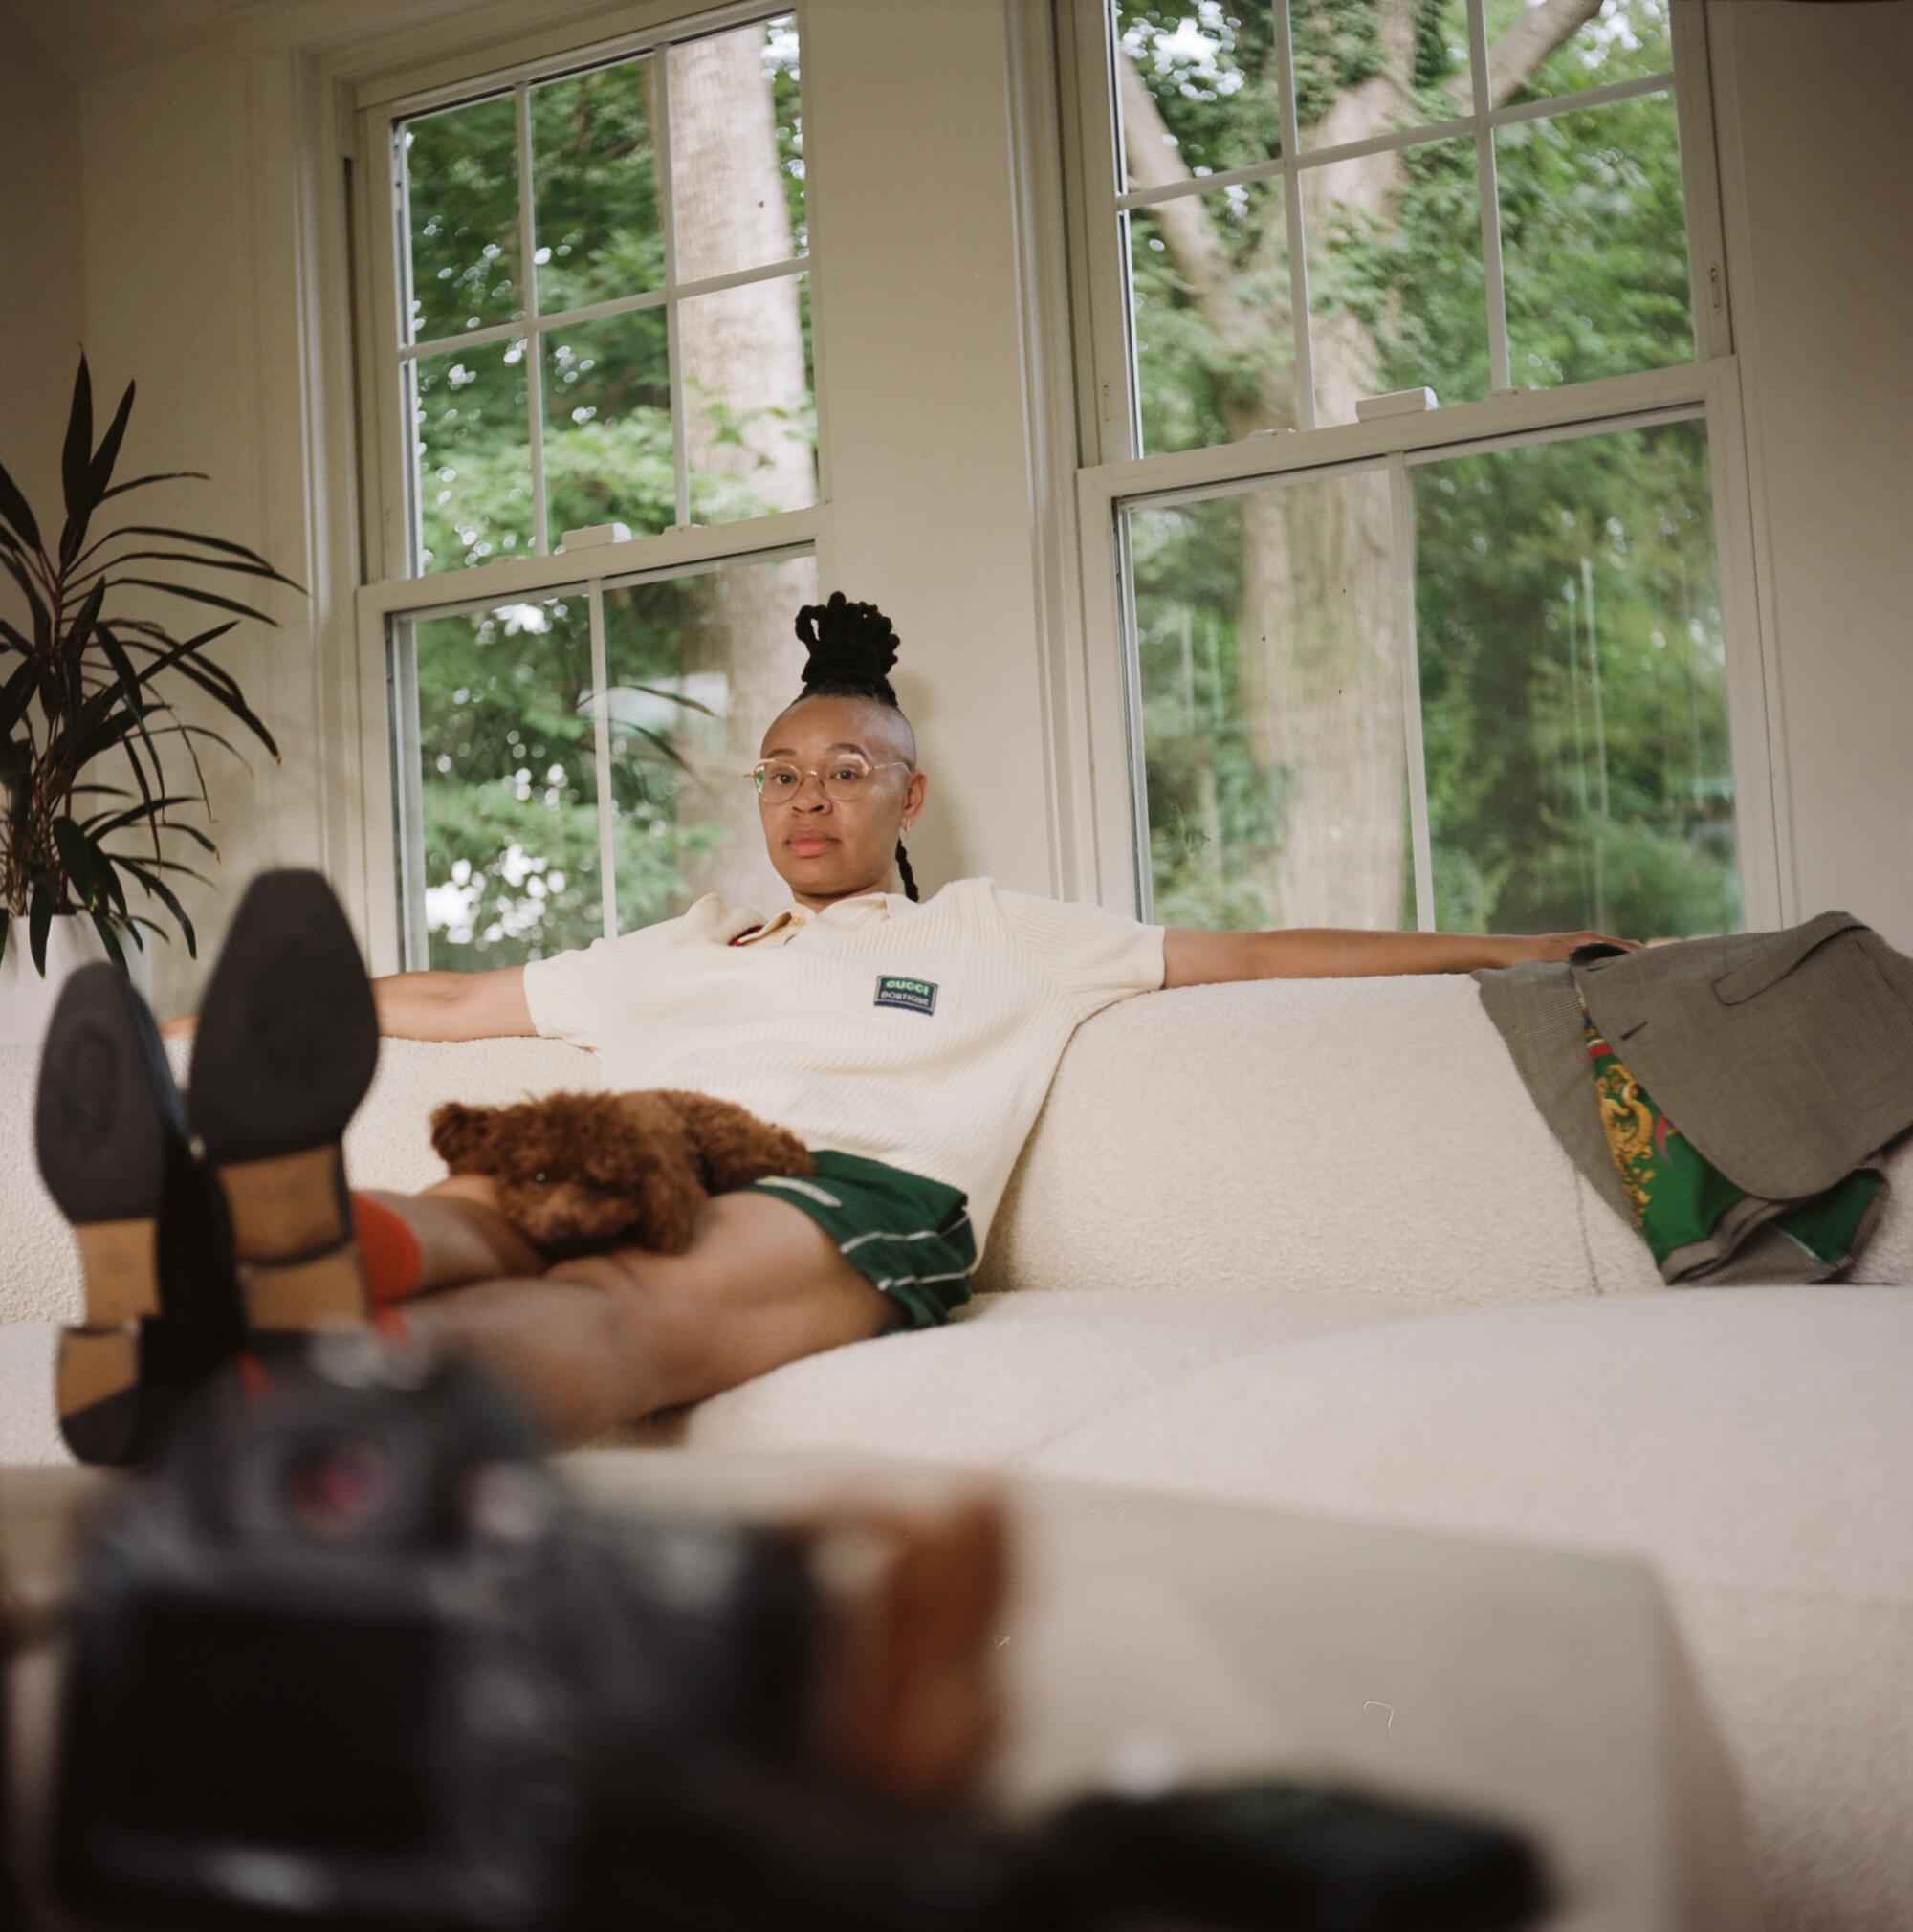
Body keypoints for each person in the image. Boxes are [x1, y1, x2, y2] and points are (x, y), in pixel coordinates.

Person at [126, 591, 1628, 1451]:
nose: (809, 795)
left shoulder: (999, 935)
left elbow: (1248, 950)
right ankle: (274, 1289)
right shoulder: (674, 949)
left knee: (635, 1303)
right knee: (491, 1201)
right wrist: (176, 1039)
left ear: (906, 796)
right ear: (759, 801)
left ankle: (277, 1359)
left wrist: (1512, 946)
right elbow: (445, 1001)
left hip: (844, 1184)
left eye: (847, 770)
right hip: (639, 1139)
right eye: (784, 772)